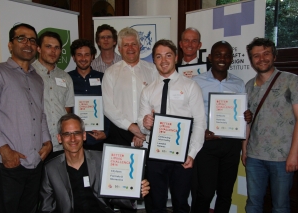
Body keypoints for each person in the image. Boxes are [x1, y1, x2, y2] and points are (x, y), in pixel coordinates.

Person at [0, 23, 52, 213]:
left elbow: (40, 114)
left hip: (34, 162)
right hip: (8, 163)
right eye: (21, 38)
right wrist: (5, 150)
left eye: (32, 39)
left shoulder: (37, 79)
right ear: (10, 45)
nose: (27, 43)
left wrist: (47, 142)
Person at [138, 39, 207, 213]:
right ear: (154, 60)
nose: (163, 60)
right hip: (156, 154)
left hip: (182, 155)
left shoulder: (191, 86)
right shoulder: (148, 90)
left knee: (180, 202)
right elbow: (143, 125)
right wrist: (145, 124)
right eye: (158, 56)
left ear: (176, 57)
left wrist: (191, 154)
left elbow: (200, 122)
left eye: (168, 55)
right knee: (155, 203)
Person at [38, 113, 150, 213]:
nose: (72, 139)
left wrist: (134, 190)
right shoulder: (51, 169)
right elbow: (46, 208)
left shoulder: (102, 159)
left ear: (84, 135)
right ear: (59, 138)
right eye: (67, 134)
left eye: (77, 133)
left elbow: (114, 195)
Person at [190, 41, 252, 213]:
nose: (222, 58)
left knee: (225, 193)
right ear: (210, 57)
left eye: (226, 55)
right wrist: (200, 132)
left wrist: (247, 115)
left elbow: (241, 111)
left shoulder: (239, 83)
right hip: (207, 143)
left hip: (231, 145)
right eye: (218, 54)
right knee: (205, 193)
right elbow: (188, 112)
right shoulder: (196, 82)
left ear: (232, 59)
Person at [242, 37, 298, 212]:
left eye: (266, 54)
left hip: (282, 158)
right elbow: (247, 122)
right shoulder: (249, 86)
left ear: (274, 55)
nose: (261, 59)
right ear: (251, 60)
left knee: (280, 206)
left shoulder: (291, 81)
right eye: (256, 56)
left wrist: (294, 155)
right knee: (253, 204)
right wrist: (245, 151)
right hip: (254, 157)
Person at [102, 27, 158, 147]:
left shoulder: (152, 70)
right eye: (126, 45)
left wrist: (144, 131)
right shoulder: (110, 73)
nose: (130, 48)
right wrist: (132, 127)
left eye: (134, 44)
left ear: (140, 46)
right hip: (119, 131)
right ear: (120, 49)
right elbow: (108, 107)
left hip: (147, 131)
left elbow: (157, 102)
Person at [32, 31, 74, 156]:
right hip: (38, 144)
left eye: (57, 47)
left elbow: (67, 110)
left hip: (60, 143)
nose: (53, 51)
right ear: (38, 48)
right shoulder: (28, 74)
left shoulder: (65, 77)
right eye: (48, 46)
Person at [68, 39, 110, 150]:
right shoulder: (67, 79)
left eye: (87, 55)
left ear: (92, 57)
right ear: (73, 57)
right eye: (79, 55)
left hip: (99, 139)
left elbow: (111, 106)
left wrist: (106, 132)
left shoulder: (104, 78)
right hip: (74, 140)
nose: (83, 59)